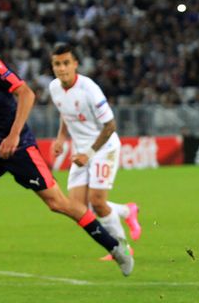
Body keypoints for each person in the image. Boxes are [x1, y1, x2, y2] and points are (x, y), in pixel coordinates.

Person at [0, 13, 133, 285]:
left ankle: (115, 247)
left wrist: (14, 135)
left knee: (59, 204)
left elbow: (26, 94)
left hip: (19, 147)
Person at [49, 44, 142, 262]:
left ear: (75, 65)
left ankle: (122, 248)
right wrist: (61, 138)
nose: (61, 68)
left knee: (98, 203)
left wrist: (89, 154)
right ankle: (127, 212)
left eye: (66, 63)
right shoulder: (54, 87)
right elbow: (65, 112)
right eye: (57, 64)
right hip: (83, 152)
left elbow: (110, 126)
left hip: (104, 148)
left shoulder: (89, 89)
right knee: (77, 208)